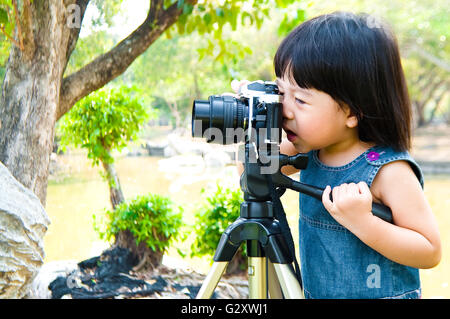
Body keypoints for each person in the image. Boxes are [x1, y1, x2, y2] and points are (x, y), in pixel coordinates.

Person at [235, 11, 441, 299]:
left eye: (301, 99)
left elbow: (429, 250)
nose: (286, 111)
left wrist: (364, 223)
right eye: (281, 94)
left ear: (352, 111)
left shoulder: (388, 170)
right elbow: (251, 169)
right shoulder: (306, 146)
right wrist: (251, 116)